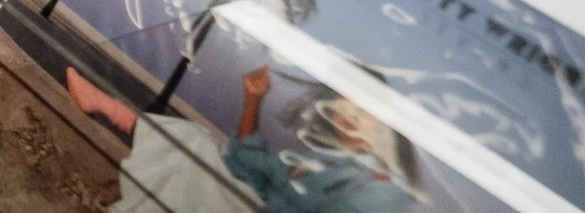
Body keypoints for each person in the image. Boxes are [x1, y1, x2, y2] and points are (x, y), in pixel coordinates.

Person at [66, 65, 417, 213]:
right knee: (199, 143)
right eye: (342, 111)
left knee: (198, 163)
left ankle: (106, 107)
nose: (347, 122)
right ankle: (106, 106)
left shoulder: (383, 187)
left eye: (361, 114)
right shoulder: (331, 159)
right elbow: (249, 164)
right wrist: (253, 98)